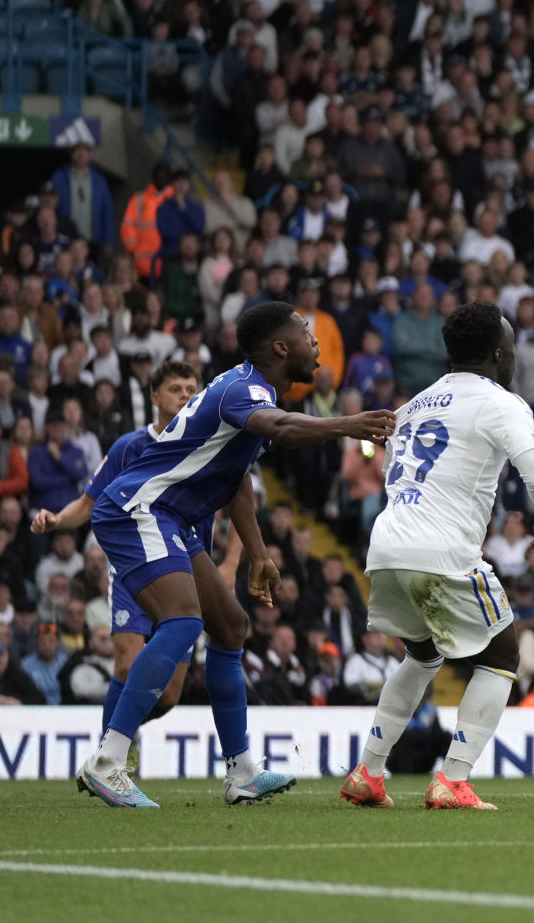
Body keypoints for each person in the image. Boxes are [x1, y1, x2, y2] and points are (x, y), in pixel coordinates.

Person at [74, 301, 395, 808]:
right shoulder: (245, 390)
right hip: (139, 508)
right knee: (181, 623)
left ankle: (241, 771)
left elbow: (236, 482)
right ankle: (108, 761)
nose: (317, 344)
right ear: (281, 347)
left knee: (230, 626)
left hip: (169, 518)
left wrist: (261, 553)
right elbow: (285, 430)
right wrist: (347, 423)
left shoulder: (253, 391)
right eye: (307, 334)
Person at [340, 301, 534, 811]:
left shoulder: (414, 404)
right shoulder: (501, 402)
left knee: (421, 655)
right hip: (440, 550)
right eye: (509, 347)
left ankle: (368, 772)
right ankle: (454, 779)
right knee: (503, 655)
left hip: (387, 545)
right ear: (499, 353)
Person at [32, 362, 248, 757]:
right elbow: (88, 503)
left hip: (189, 569)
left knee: (168, 694)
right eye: (175, 389)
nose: (185, 395)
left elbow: (242, 505)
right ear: (154, 398)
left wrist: (231, 564)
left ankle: (116, 740)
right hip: (138, 568)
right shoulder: (130, 447)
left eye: (190, 389)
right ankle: (109, 757)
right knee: (128, 665)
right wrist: (56, 520)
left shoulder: (211, 443)